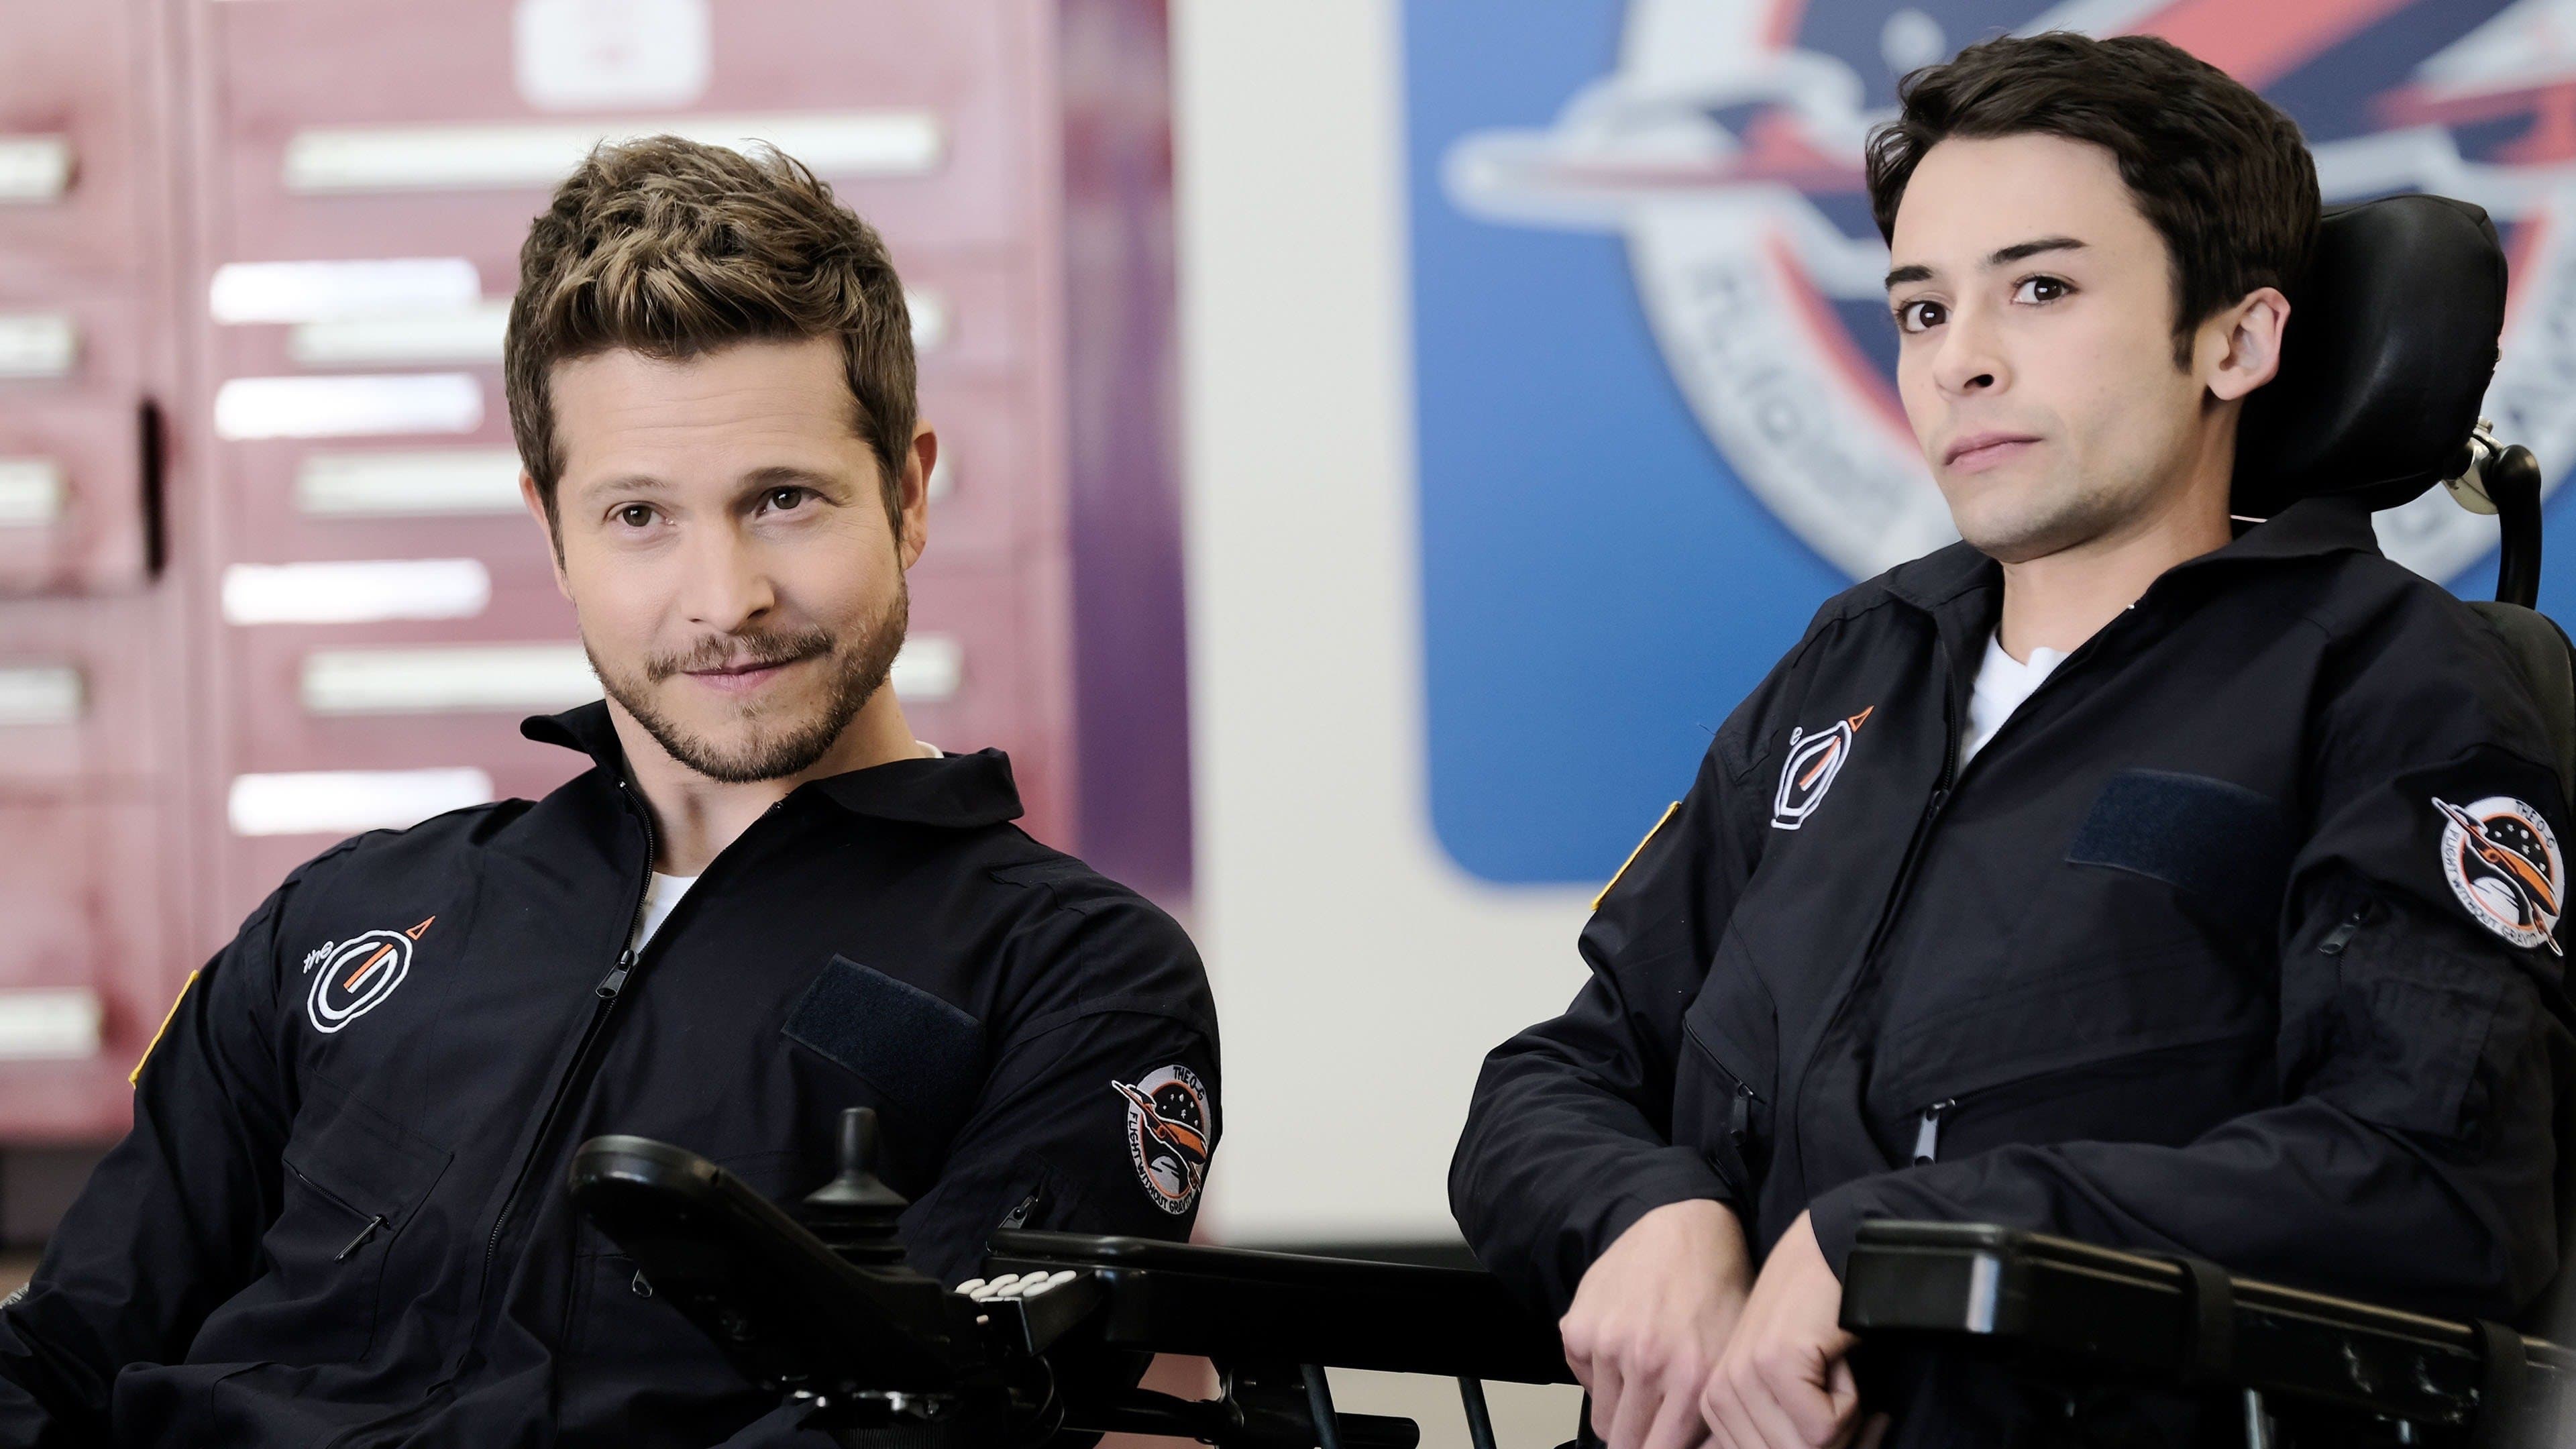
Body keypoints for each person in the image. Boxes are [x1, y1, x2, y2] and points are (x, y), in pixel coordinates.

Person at [0, 138, 1218, 1448]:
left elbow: (934, 1421)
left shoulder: (1070, 977)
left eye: (785, 499)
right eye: (641, 516)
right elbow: (62, 1351)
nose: (725, 598)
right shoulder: (345, 920)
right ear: (553, 531)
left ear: (907, 494)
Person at [1450, 32, 2572, 1449]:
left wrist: (1909, 1244)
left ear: (2238, 340)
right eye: (1921, 311)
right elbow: (1556, 1080)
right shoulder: (1852, 667)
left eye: (2040, 289)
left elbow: (2432, 1182)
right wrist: (1641, 1212)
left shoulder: (2393, 686)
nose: (1959, 364)